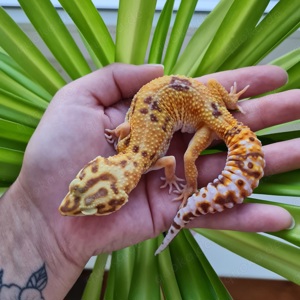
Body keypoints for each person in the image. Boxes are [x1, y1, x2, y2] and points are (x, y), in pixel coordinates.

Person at [0, 63, 299, 299]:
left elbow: (170, 160)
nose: (69, 205)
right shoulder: (128, 150)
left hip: (207, 120)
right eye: (86, 198)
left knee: (189, 160)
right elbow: (131, 130)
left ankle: (194, 186)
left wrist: (187, 186)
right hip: (206, 98)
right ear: (96, 165)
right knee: (193, 141)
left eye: (91, 205)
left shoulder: (143, 158)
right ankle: (227, 102)